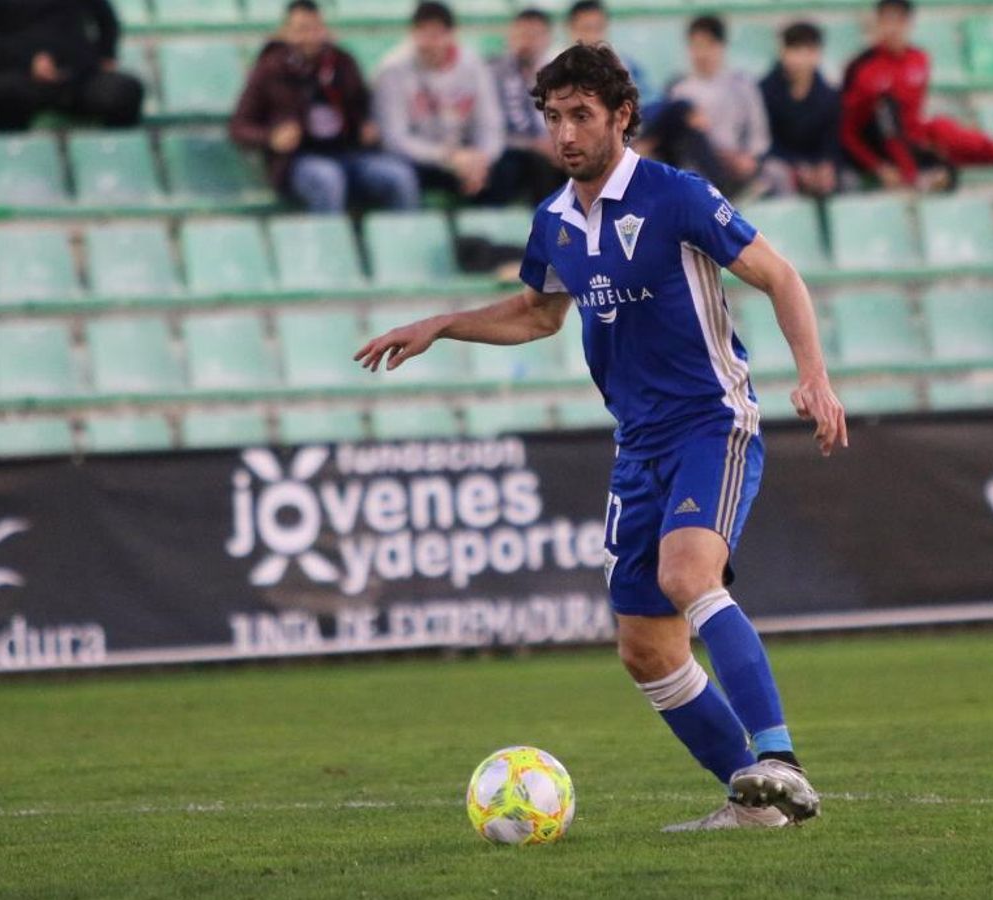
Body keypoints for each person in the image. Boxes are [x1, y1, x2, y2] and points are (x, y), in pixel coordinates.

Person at [355, 44, 847, 831]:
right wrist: (443, 324)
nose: (565, 134)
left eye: (581, 115)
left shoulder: (675, 195)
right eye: (552, 118)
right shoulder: (553, 221)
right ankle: (755, 805)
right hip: (638, 443)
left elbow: (779, 276)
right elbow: (538, 313)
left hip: (710, 420)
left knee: (690, 573)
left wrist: (814, 376)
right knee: (646, 649)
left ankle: (780, 760)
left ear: (621, 116)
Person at [229, 0, 416, 213]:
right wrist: (272, 138)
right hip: (297, 161)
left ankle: (400, 241)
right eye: (301, 30)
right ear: (286, 32)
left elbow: (363, 107)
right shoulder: (270, 69)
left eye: (315, 28)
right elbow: (239, 127)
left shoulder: (343, 63)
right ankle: (329, 243)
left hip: (348, 153)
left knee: (399, 177)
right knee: (327, 179)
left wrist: (366, 127)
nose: (309, 37)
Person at [840, 0, 993, 190]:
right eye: (886, 21)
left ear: (909, 24)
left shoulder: (919, 60)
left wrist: (924, 142)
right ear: (878, 24)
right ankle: (920, 175)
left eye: (899, 21)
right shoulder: (862, 67)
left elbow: (912, 117)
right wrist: (878, 166)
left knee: (946, 130)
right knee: (887, 109)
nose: (892, 28)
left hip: (915, 140)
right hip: (882, 145)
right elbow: (848, 129)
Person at [373, 1, 504, 202]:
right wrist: (448, 157)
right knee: (401, 176)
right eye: (422, 34)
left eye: (436, 35)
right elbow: (395, 139)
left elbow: (490, 126)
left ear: (452, 34)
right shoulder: (393, 70)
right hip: (417, 159)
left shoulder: (473, 66)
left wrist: (480, 160)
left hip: (466, 156)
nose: (428, 43)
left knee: (507, 169)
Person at [0, 0, 145, 131]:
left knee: (125, 91)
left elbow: (107, 22)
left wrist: (106, 56)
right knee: (6, 93)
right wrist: (29, 62)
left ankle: (110, 163)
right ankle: (15, 164)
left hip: (77, 79)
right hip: (20, 77)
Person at [653, 15, 772, 199]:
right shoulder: (679, 89)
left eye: (709, 45)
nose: (702, 54)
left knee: (774, 175)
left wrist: (749, 159)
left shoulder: (742, 85)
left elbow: (759, 135)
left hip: (738, 163)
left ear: (721, 46)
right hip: (696, 166)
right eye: (696, 46)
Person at [487, 8, 564, 205]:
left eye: (533, 36)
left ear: (547, 38)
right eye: (520, 35)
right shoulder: (492, 73)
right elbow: (489, 128)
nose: (526, 42)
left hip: (552, 148)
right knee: (530, 165)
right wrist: (535, 145)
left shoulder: (560, 75)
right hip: (507, 148)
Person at [759, 21, 840, 198]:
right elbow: (765, 142)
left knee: (845, 179)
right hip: (783, 164)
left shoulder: (828, 95)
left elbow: (831, 140)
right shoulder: (765, 91)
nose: (799, 59)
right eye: (794, 50)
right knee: (776, 173)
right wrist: (797, 167)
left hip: (815, 168)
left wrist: (826, 165)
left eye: (807, 51)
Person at [565, 0, 652, 101]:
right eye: (586, 29)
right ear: (570, 28)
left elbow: (648, 99)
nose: (593, 36)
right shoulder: (557, 68)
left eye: (599, 28)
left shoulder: (625, 64)